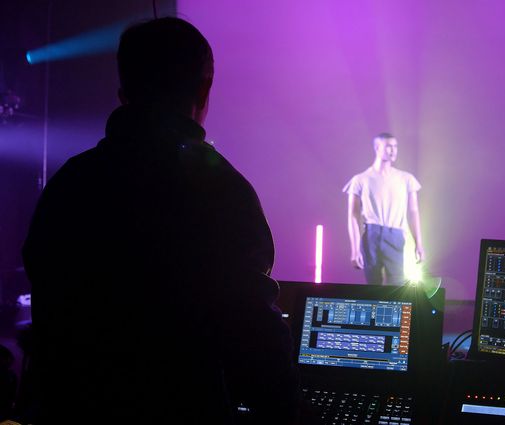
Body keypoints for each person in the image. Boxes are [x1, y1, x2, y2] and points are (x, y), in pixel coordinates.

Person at [22, 18, 298, 424]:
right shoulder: (221, 190)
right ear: (203, 90)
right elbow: (253, 339)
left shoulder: (70, 182)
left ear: (123, 93)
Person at [343, 133, 424, 285]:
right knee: (373, 286)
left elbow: (414, 212)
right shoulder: (360, 179)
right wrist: (355, 249)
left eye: (395, 146)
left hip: (396, 234)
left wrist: (419, 243)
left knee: (397, 286)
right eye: (388, 146)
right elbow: (353, 216)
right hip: (372, 234)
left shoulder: (406, 179)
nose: (393, 150)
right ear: (377, 148)